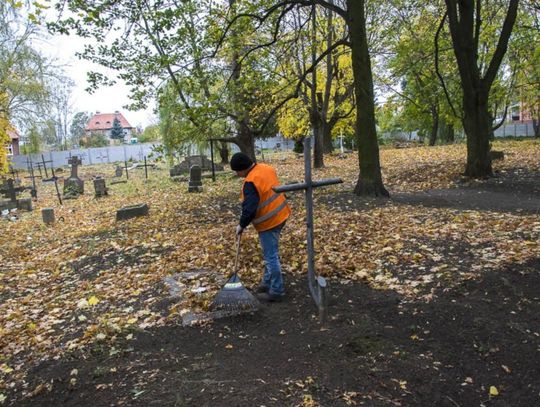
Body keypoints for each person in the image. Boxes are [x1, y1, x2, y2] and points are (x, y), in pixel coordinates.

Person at [230, 152, 291, 302]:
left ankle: (277, 291)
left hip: (269, 222)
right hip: (282, 214)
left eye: (237, 171)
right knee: (271, 253)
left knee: (271, 256)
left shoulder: (250, 182)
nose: (237, 174)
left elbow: (249, 209)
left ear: (242, 169)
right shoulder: (266, 168)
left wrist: (241, 225)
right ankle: (267, 282)